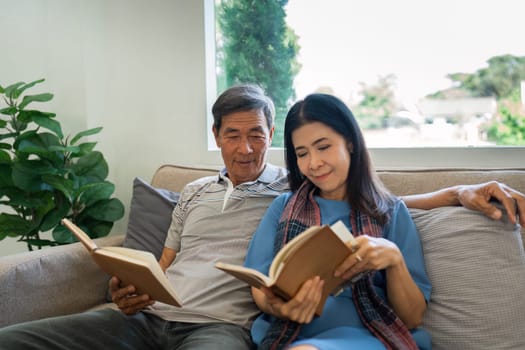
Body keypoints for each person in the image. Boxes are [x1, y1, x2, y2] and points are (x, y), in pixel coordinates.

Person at [0, 84, 522, 350]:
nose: (246, 148)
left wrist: (460, 191)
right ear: (217, 137)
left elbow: (381, 205)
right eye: (233, 135)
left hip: (222, 329)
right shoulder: (208, 193)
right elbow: (171, 267)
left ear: (273, 140)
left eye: (258, 135)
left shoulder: (307, 191)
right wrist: (129, 289)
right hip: (150, 319)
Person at [244, 93, 441, 349]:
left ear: (350, 142)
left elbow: (413, 317)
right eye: (302, 153)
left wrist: (394, 260)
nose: (314, 163)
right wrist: (280, 307)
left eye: (323, 147)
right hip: (290, 334)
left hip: (372, 336)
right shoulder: (282, 207)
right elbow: (260, 285)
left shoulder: (391, 212)